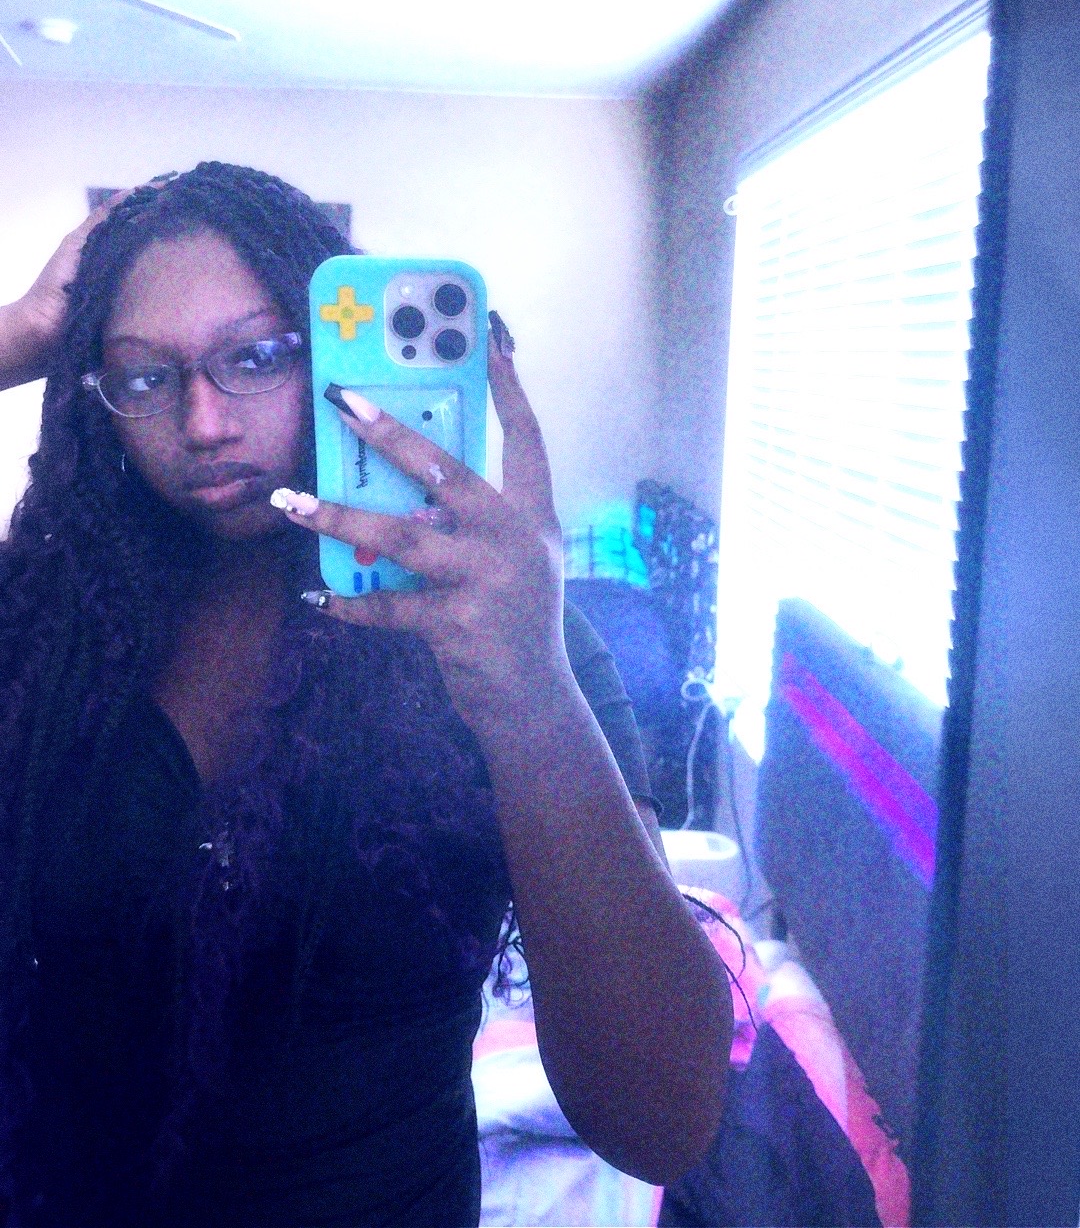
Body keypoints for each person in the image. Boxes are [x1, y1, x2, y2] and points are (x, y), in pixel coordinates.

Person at [0, 162, 732, 1227]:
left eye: (256, 358)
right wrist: (20, 333)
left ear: (335, 351)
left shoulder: (506, 638)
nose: (202, 422)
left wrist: (529, 691)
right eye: (144, 377)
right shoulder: (42, 628)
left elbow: (661, 1119)